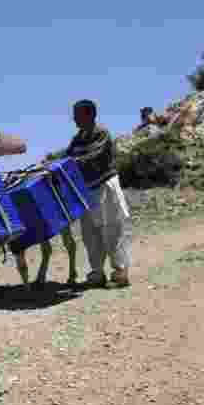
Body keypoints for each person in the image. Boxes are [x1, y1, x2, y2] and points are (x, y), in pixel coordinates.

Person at [66, 99, 131, 288]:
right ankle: (97, 274)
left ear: (90, 115)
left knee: (112, 230)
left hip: (105, 186)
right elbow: (68, 156)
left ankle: (120, 274)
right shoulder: (77, 138)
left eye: (77, 114)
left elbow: (92, 156)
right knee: (90, 233)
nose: (74, 119)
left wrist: (71, 163)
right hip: (87, 190)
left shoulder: (101, 133)